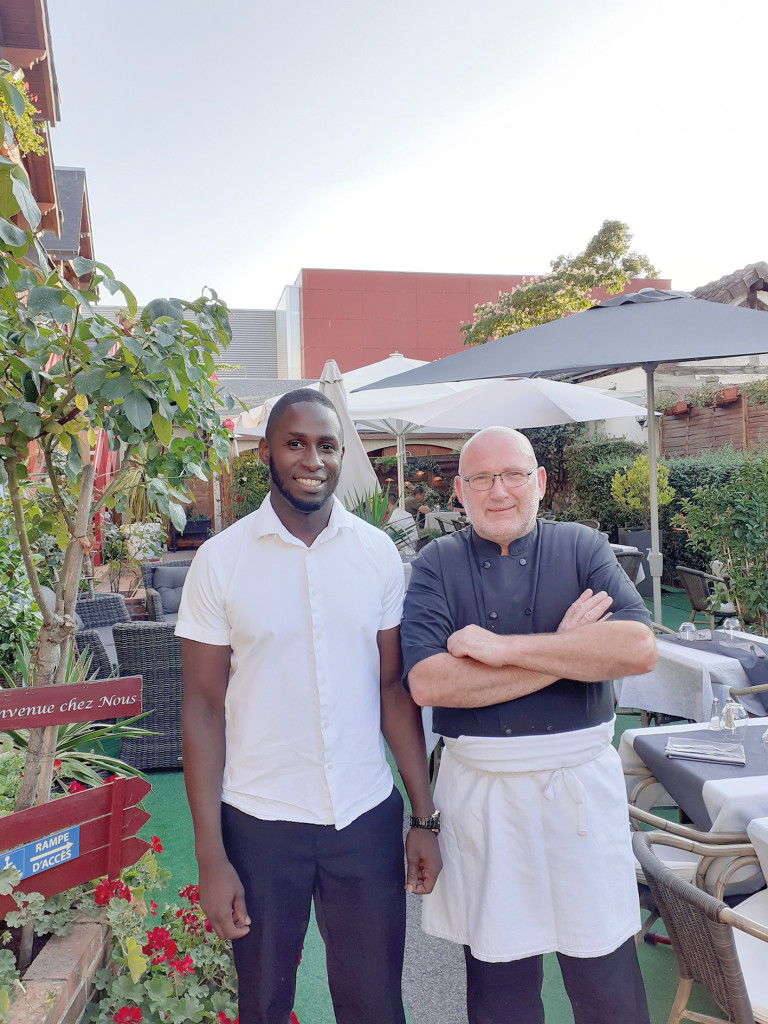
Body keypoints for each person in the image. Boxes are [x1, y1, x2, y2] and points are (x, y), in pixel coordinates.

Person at [177, 389, 441, 1024]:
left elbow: (392, 690)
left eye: (326, 445)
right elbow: (203, 707)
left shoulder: (377, 553)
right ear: (267, 450)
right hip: (260, 822)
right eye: (294, 443)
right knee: (264, 1005)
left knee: (376, 1004)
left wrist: (424, 817)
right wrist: (211, 856)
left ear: (342, 454)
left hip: (364, 816)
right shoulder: (220, 561)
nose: (311, 459)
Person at [400, 426, 656, 1024]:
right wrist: (567, 649)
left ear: (539, 482)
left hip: (580, 797)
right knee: (500, 983)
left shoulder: (582, 547)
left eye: (513, 475)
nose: (499, 492)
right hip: (484, 801)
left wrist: (498, 650)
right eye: (482, 479)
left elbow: (637, 647)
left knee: (606, 976)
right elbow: (431, 684)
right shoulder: (437, 563)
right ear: (459, 492)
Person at [384, 486, 418, 554]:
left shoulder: (393, 519)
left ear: (388, 504)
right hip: (413, 548)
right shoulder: (408, 515)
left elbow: (384, 537)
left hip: (402, 552)